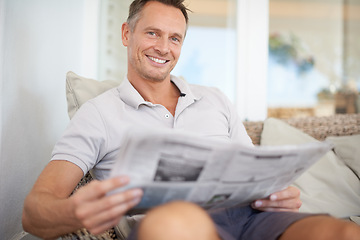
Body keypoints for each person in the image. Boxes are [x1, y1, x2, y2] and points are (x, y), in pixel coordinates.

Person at [22, 0, 360, 239]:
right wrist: (73, 213)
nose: (163, 48)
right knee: (177, 224)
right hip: (174, 226)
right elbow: (34, 211)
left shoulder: (214, 98)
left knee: (344, 233)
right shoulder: (97, 114)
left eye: (175, 38)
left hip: (252, 220)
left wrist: (275, 194)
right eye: (152, 33)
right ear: (127, 34)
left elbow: (253, 174)